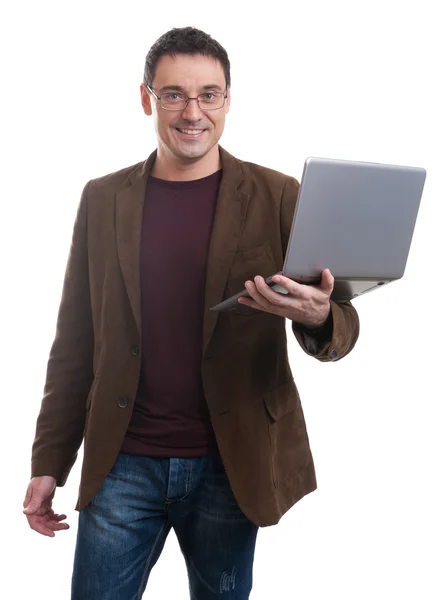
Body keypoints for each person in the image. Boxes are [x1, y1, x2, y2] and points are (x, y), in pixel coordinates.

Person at [23, 26, 359, 600]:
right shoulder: (103, 199)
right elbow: (75, 341)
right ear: (147, 98)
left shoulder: (278, 195)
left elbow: (342, 320)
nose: (192, 111)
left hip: (231, 464)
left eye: (209, 94)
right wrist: (49, 459)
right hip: (123, 460)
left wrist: (318, 315)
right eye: (174, 93)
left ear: (228, 99)